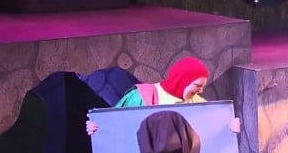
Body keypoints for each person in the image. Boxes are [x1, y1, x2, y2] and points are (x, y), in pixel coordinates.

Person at [86, 56, 239, 135]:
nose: (201, 91)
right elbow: (115, 122)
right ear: (182, 81)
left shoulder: (198, 103)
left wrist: (230, 127)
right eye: (197, 85)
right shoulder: (142, 96)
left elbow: (216, 128)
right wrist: (98, 127)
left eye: (203, 87)